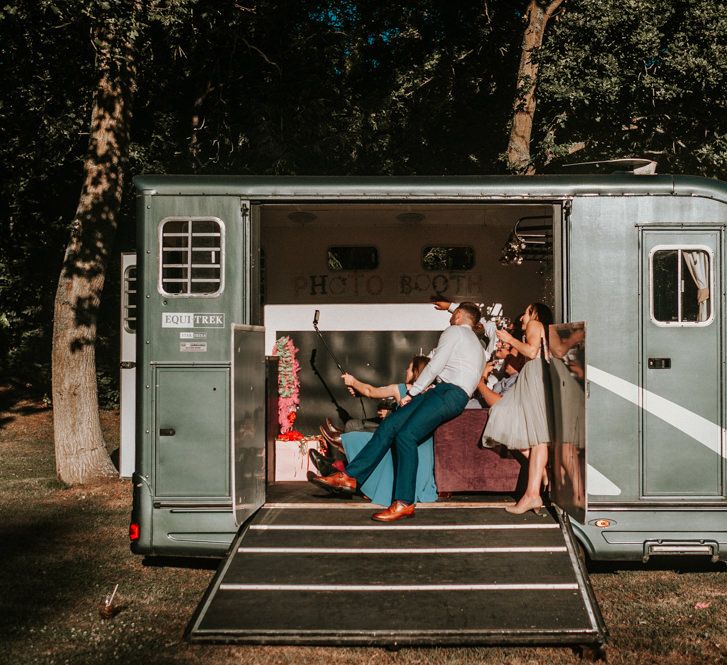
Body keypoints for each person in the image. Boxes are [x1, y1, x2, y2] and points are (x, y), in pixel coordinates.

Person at [309, 302, 487, 522]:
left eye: (454, 314)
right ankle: (349, 476)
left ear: (458, 315)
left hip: (448, 393)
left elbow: (435, 365)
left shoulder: (455, 331)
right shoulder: (478, 345)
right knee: (391, 424)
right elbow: (485, 328)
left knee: (406, 435)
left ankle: (404, 502)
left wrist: (414, 392)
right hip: (444, 392)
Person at [310, 356, 438, 507]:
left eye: (409, 368)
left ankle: (341, 445)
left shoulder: (403, 389)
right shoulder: (435, 395)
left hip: (403, 445)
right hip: (423, 456)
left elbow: (370, 391)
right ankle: (336, 464)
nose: (406, 370)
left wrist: (352, 381)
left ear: (416, 372)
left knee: (369, 441)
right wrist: (359, 392)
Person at [482, 302, 554, 515]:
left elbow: (532, 352)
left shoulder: (534, 323)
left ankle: (532, 494)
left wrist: (510, 339)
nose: (522, 317)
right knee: (533, 434)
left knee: (537, 437)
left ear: (533, 312)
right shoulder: (538, 328)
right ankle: (539, 478)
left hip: (534, 377)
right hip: (533, 377)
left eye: (525, 312)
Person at [431, 298, 498, 359]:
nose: (450, 320)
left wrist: (451, 307)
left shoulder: (449, 346)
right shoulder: (484, 356)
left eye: (453, 315)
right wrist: (450, 307)